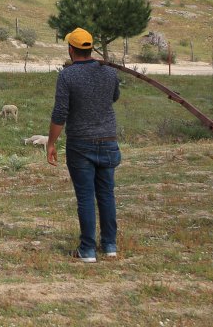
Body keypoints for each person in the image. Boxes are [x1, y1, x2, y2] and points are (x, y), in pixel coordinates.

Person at [46, 28, 122, 263]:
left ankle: (87, 249)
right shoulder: (109, 73)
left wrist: (51, 143)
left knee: (86, 196)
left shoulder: (67, 76)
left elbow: (60, 113)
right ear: (91, 48)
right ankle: (110, 245)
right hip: (109, 140)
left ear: (70, 49)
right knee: (107, 194)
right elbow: (114, 97)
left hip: (81, 143)